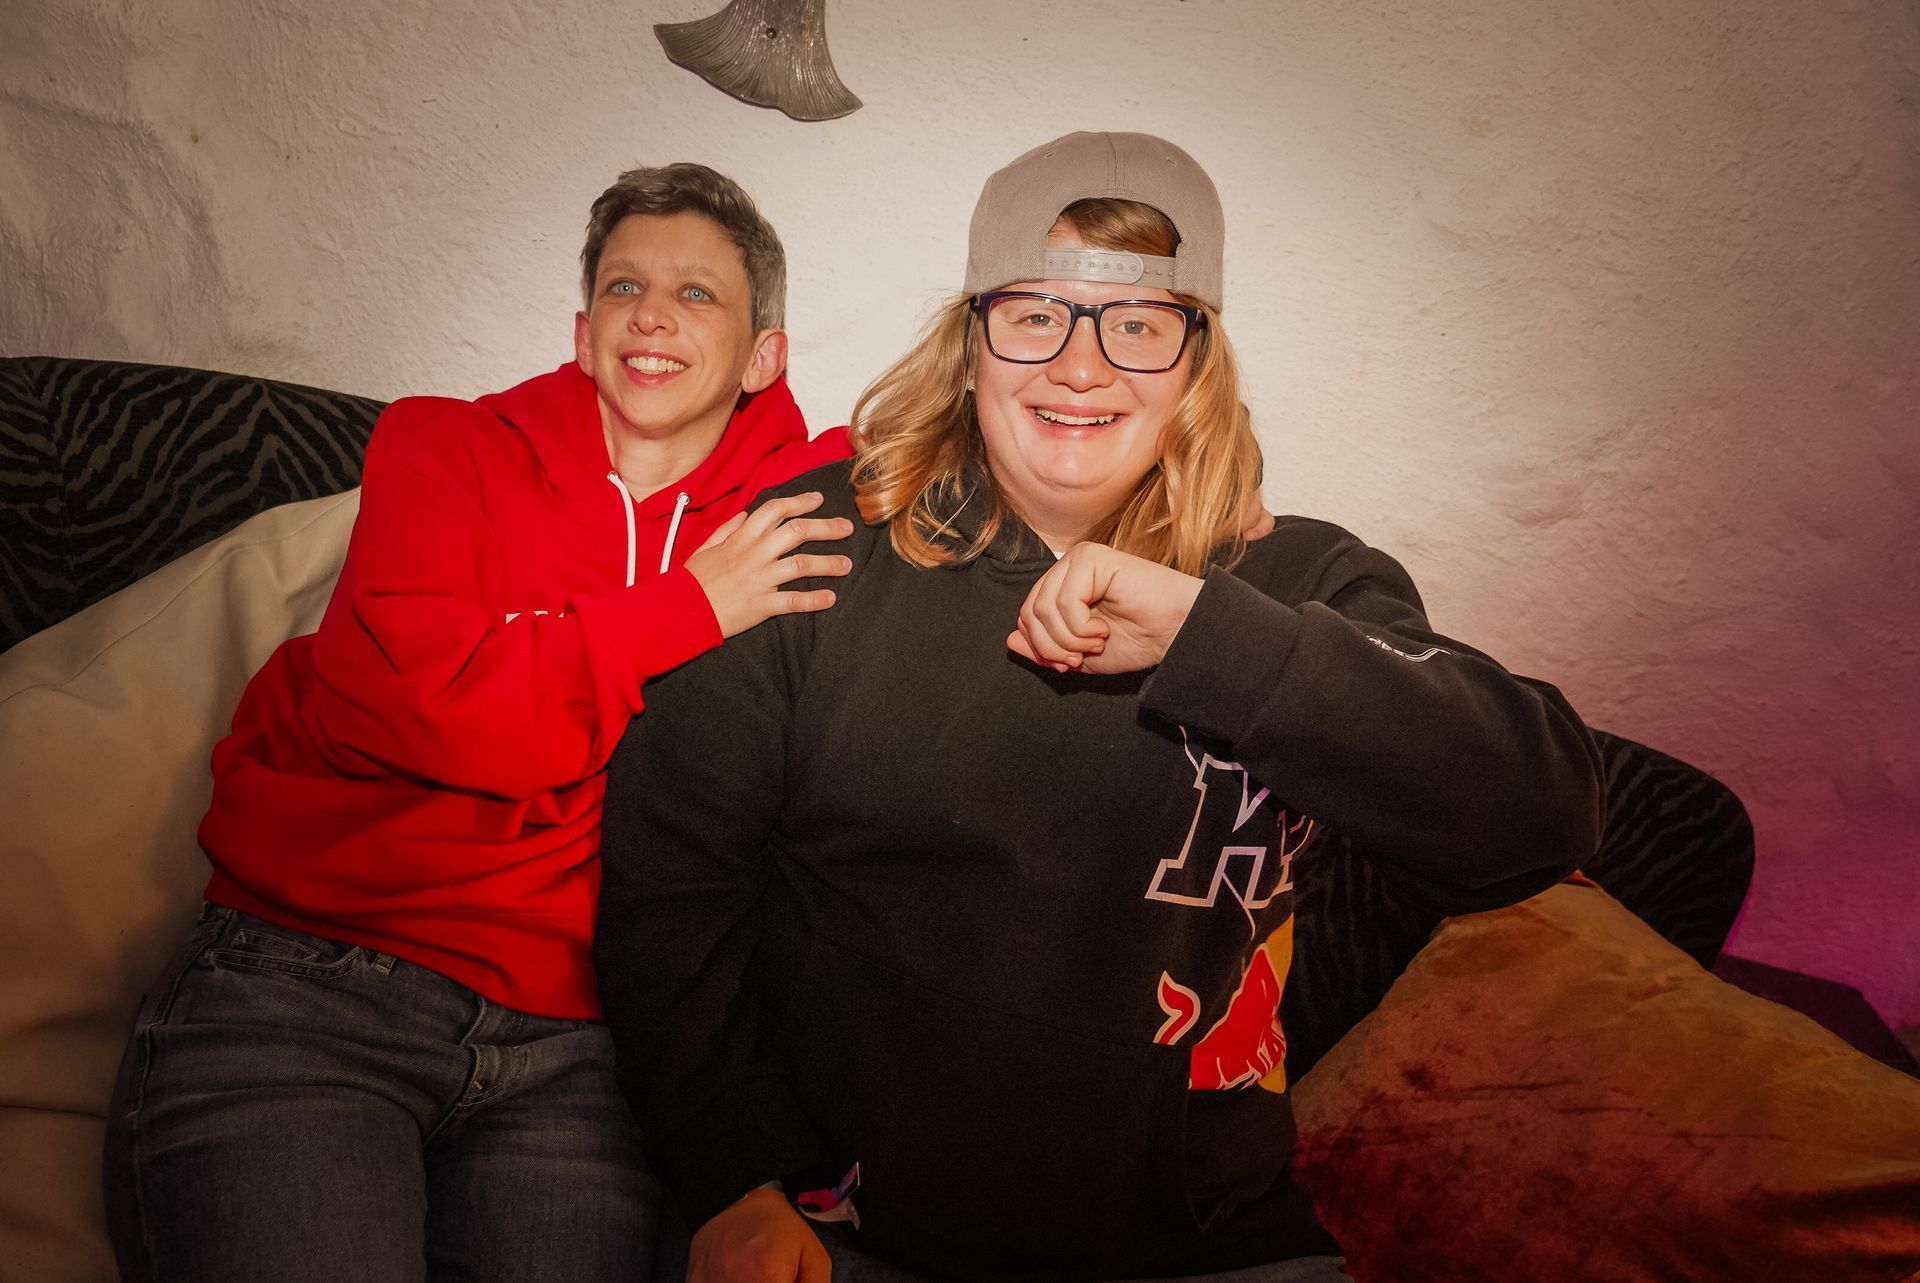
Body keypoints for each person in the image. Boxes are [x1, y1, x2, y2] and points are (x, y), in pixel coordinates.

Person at [594, 132, 1605, 1283]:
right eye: (1036, 315)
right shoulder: (816, 544)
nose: (1082, 367)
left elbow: (1539, 813)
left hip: (1207, 1253)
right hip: (848, 1236)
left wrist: (1205, 632)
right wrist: (733, 1176)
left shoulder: (1300, 582)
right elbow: (669, 893)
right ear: (969, 343)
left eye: (1138, 324)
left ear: (1197, 360)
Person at [102, 162, 855, 1281]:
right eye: (623, 286)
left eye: (696, 293)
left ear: (764, 357)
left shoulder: (803, 513)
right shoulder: (441, 449)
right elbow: (418, 709)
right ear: (584, 331)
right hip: (313, 986)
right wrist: (688, 608)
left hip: (584, 1052)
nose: (650, 314)